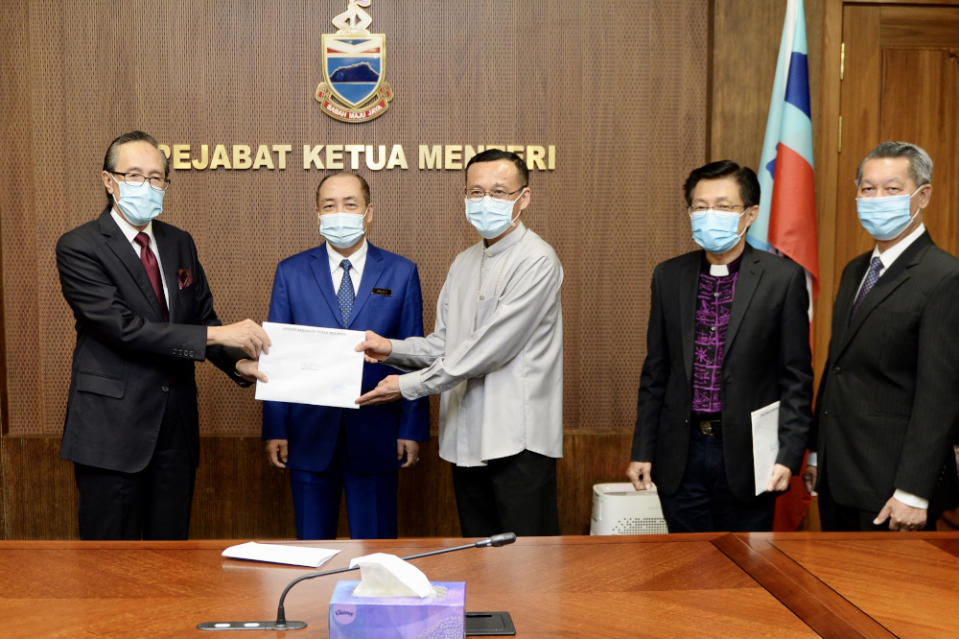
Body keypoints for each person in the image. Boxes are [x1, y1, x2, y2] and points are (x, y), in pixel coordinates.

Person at [56, 130, 269, 540]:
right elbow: (122, 328)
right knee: (111, 565)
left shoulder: (178, 242)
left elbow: (202, 317)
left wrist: (238, 363)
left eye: (156, 178)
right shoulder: (79, 246)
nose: (147, 186)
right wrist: (220, 336)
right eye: (134, 175)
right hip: (112, 432)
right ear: (108, 180)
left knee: (172, 559)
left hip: (175, 431)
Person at [355, 149, 563, 537]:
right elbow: (446, 344)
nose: (486, 202)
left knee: (528, 570)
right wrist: (392, 350)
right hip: (466, 440)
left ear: (525, 198)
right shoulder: (464, 261)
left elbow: (489, 350)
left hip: (516, 441)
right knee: (482, 562)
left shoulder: (537, 260)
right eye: (476, 192)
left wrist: (408, 386)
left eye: (499, 192)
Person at [626, 160, 813, 532]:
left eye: (724, 207)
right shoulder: (669, 276)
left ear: (750, 214)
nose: (710, 215)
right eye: (700, 206)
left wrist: (788, 455)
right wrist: (642, 450)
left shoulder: (782, 279)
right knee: (684, 568)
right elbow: (656, 371)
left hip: (748, 455)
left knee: (745, 570)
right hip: (682, 451)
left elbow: (796, 377)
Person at [261, 172, 429, 539]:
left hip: (377, 430)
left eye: (350, 204)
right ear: (317, 215)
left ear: (369, 212)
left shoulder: (401, 272)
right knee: (311, 547)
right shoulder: (291, 272)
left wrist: (411, 428)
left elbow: (415, 354)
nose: (340, 213)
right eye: (329, 206)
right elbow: (276, 352)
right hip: (307, 432)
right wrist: (275, 426)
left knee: (377, 548)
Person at [804, 141, 959, 531]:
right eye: (867, 189)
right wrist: (817, 452)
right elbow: (837, 366)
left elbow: (939, 395)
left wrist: (913, 491)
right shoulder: (856, 270)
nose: (876, 199)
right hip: (839, 476)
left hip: (892, 488)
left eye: (891, 189)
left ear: (922, 196)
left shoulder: (944, 277)